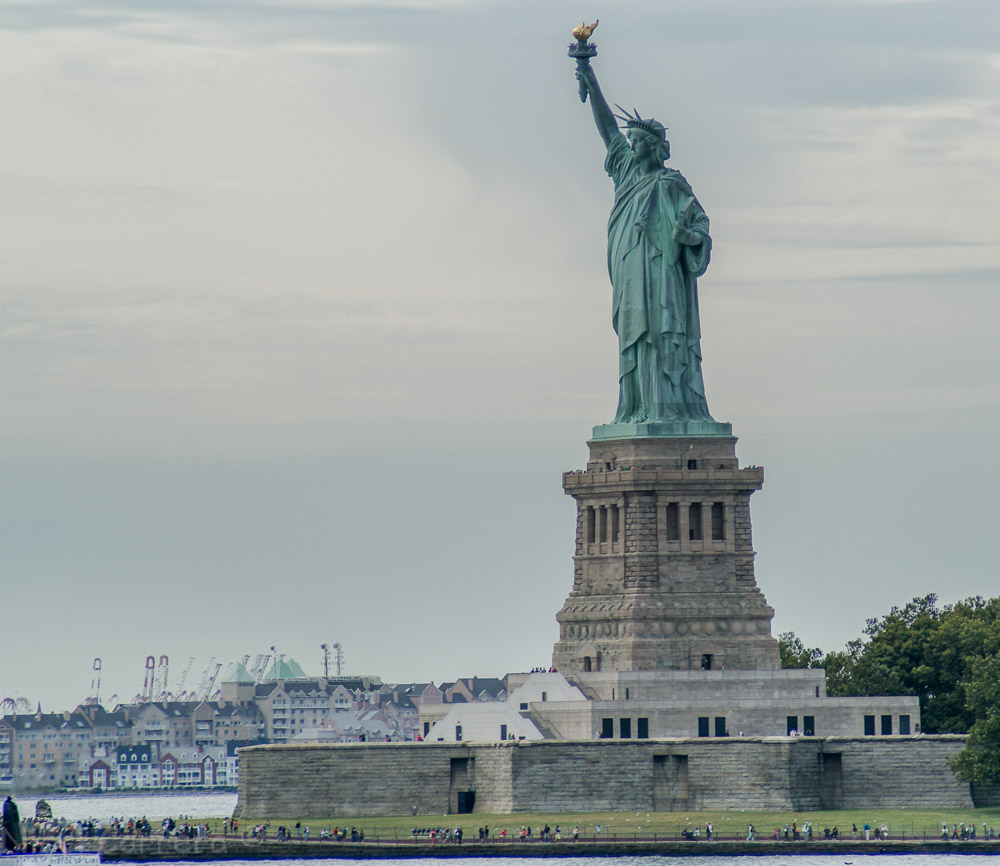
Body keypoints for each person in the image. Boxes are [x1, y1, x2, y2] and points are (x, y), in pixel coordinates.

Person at [576, 61, 716, 426]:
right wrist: (590, 78)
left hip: (664, 276)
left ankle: (668, 408)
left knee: (661, 334)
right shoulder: (626, 174)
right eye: (632, 141)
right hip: (630, 272)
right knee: (635, 338)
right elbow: (608, 131)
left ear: (655, 148)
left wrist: (689, 238)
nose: (632, 146)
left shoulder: (673, 185)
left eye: (638, 141)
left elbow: (701, 228)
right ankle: (637, 407)